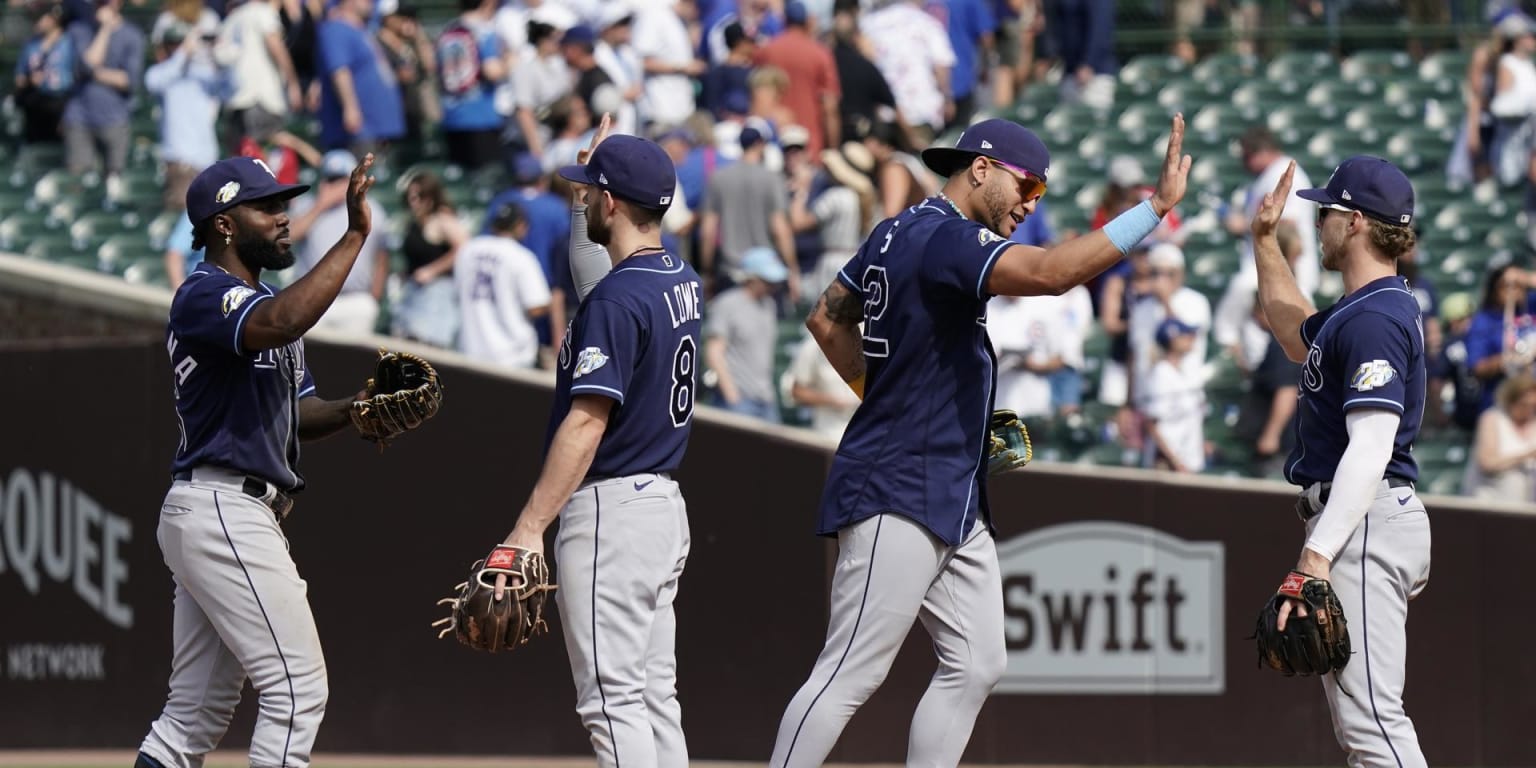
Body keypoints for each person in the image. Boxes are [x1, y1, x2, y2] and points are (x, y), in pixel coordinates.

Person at [770, 114, 1191, 766]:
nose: (1031, 204)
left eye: (1043, 195)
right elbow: (1051, 274)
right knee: (850, 669)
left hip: (946, 483)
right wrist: (1153, 210)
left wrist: (897, 399)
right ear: (981, 168)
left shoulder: (895, 230)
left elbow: (827, 318)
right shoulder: (948, 238)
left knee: (977, 660)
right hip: (899, 480)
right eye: (1028, 187)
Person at [134, 153, 384, 768]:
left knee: (192, 718)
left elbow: (299, 414)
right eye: (266, 205)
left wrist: (362, 407)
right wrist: (353, 237)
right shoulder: (203, 293)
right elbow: (280, 321)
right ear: (223, 223)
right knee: (297, 691)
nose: (283, 216)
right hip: (223, 506)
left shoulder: (262, 302)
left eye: (284, 203)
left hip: (229, 509)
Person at [494, 124, 703, 768]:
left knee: (611, 703)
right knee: (653, 697)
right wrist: (599, 165)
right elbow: (603, 262)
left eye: (589, 194)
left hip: (612, 512)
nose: (581, 202)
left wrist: (528, 529)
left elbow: (586, 425)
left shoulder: (616, 299)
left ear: (611, 204)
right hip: (662, 507)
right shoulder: (679, 275)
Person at [1250, 155, 1431, 768]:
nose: (1319, 219)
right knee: (1365, 727)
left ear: (1353, 222)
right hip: (1362, 520)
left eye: (1326, 209)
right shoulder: (1363, 308)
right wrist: (1264, 241)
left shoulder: (1377, 318)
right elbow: (1292, 332)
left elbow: (1372, 448)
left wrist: (1314, 558)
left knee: (1375, 728)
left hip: (1364, 520)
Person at [455, 201, 552, 369]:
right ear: (520, 225)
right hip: (511, 358)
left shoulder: (468, 249)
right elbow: (535, 307)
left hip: (470, 352)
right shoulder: (521, 256)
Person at [1463, 373, 1536, 501]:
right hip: (1490, 505)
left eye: (1533, 406)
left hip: (1526, 508)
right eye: (1524, 404)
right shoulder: (1492, 419)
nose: (1529, 410)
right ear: (1511, 401)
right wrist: (1527, 455)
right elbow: (1487, 463)